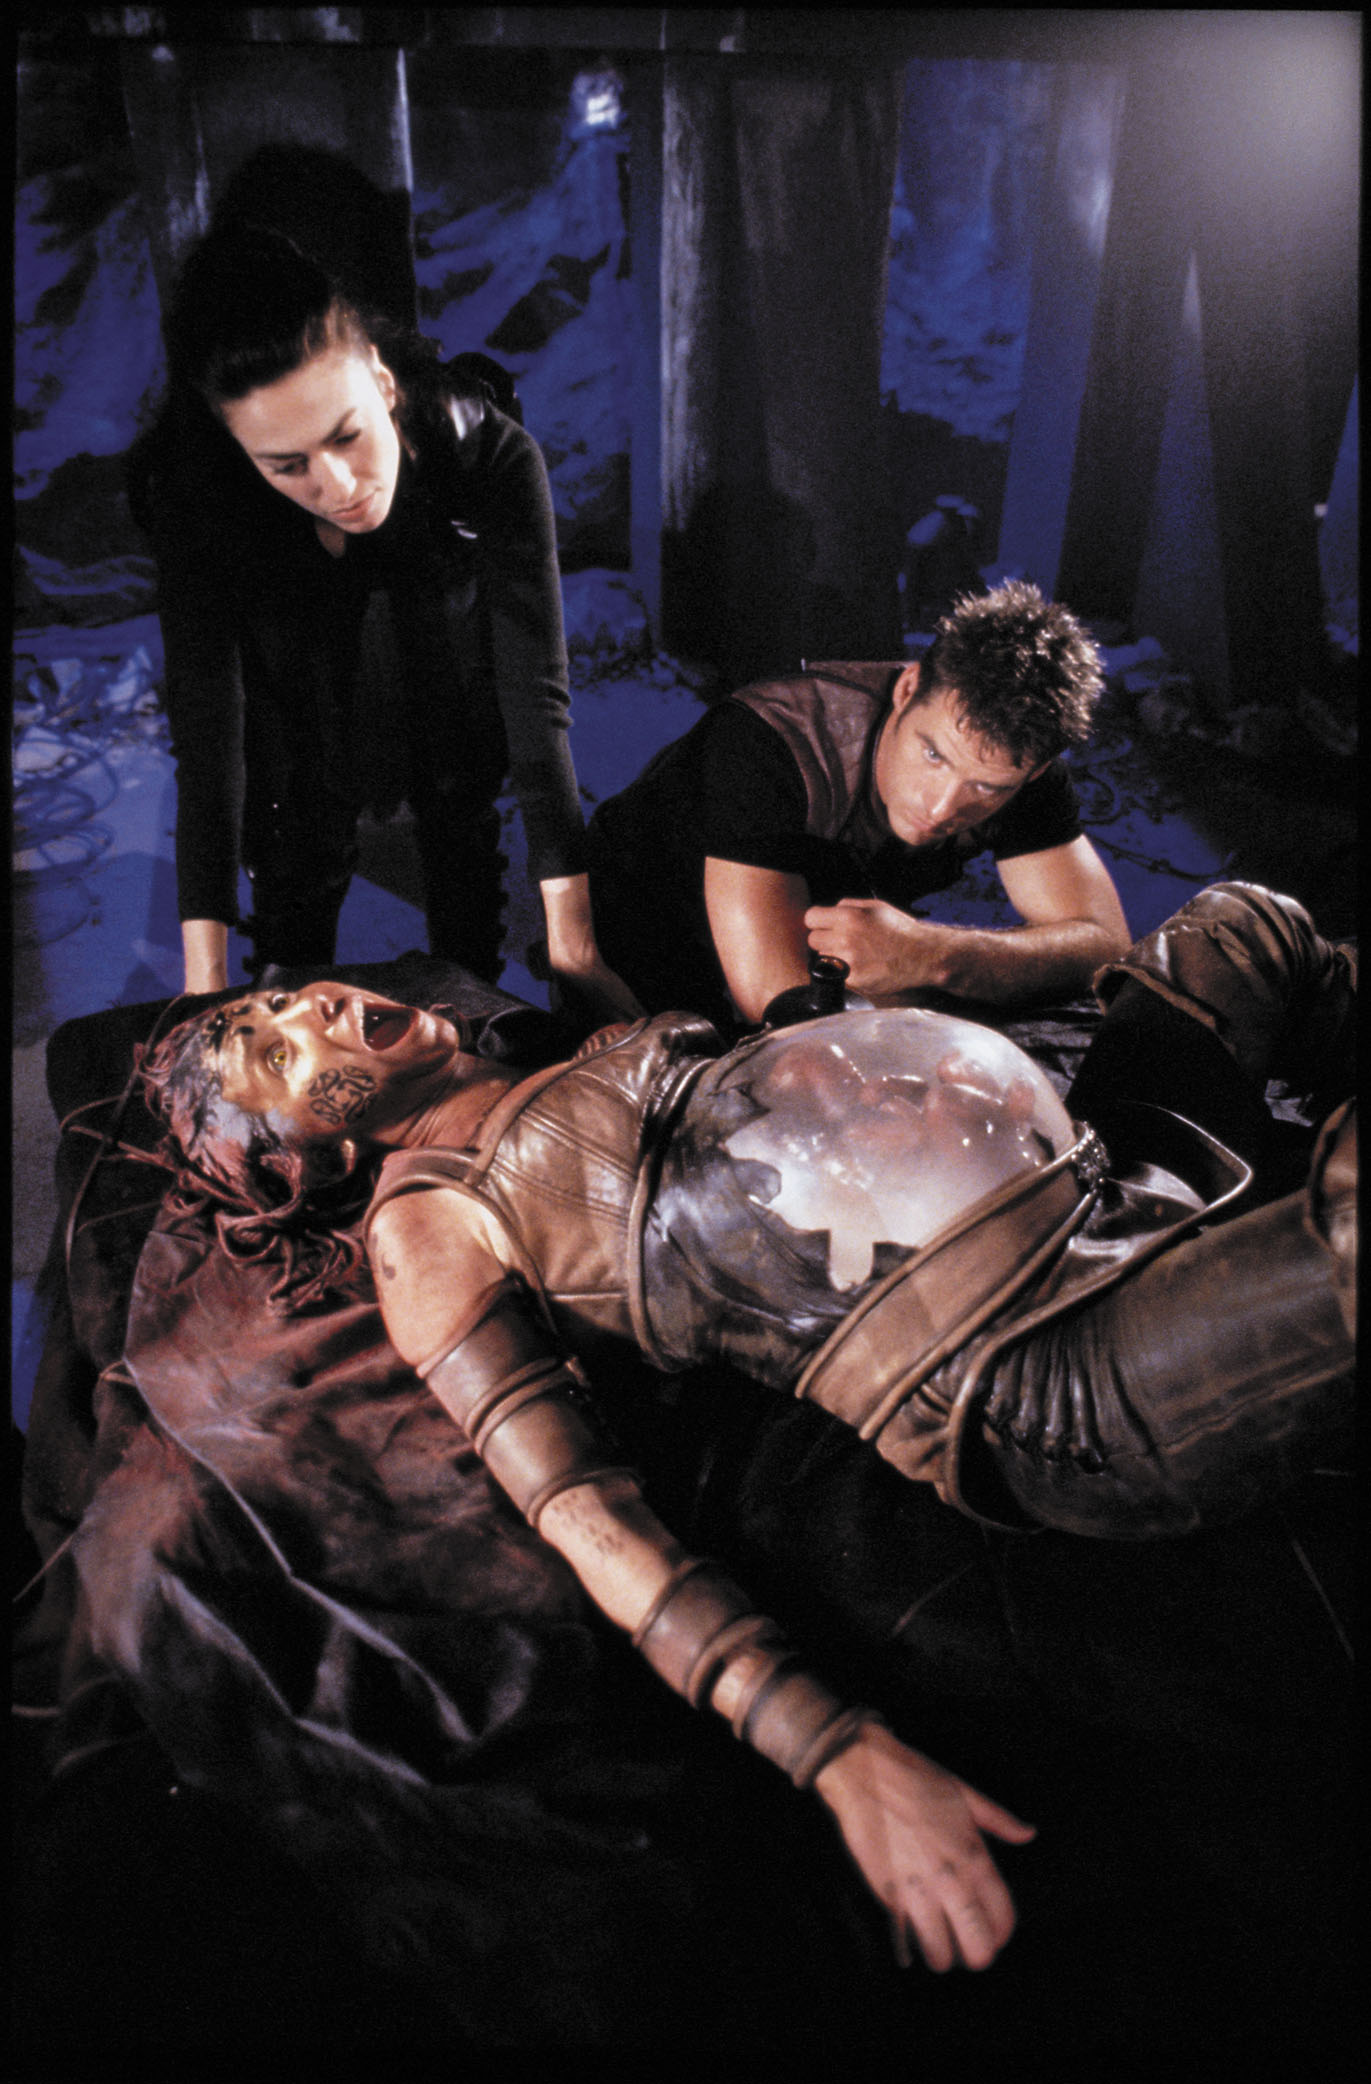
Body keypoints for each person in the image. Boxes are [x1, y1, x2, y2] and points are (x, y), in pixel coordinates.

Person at [137, 878, 1354, 1977]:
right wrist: (835, 1748)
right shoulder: (430, 1224)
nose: (315, 1005)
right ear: (314, 1156)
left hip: (1118, 1175)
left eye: (285, 997)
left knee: (1237, 929)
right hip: (1050, 1359)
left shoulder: (574, 1055)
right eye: (279, 1048)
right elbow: (586, 1515)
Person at [128, 189, 638, 1025]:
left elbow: (535, 705)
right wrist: (207, 996)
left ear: (383, 379)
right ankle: (288, 961)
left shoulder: (483, 451)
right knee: (296, 812)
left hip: (431, 582)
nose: (336, 485)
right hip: (291, 611)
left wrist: (574, 948)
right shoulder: (203, 505)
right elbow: (211, 743)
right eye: (287, 463)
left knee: (457, 776)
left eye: (345, 435)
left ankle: (469, 978)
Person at [585, 579, 1132, 1033]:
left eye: (986, 788)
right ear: (908, 687)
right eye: (933, 754)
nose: (942, 806)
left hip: (809, 915)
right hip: (637, 921)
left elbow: (1104, 947)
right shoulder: (767, 743)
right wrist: (953, 977)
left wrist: (936, 954)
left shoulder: (1017, 756)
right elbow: (784, 1012)